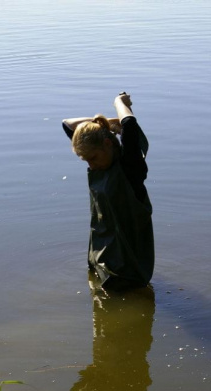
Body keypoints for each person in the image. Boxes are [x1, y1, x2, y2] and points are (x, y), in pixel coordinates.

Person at [62, 93, 154, 291]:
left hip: (129, 270)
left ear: (107, 144)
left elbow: (129, 124)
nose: (91, 165)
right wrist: (106, 123)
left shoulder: (131, 166)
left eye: (93, 158)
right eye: (86, 161)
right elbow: (67, 124)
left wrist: (118, 103)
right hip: (100, 258)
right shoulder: (98, 163)